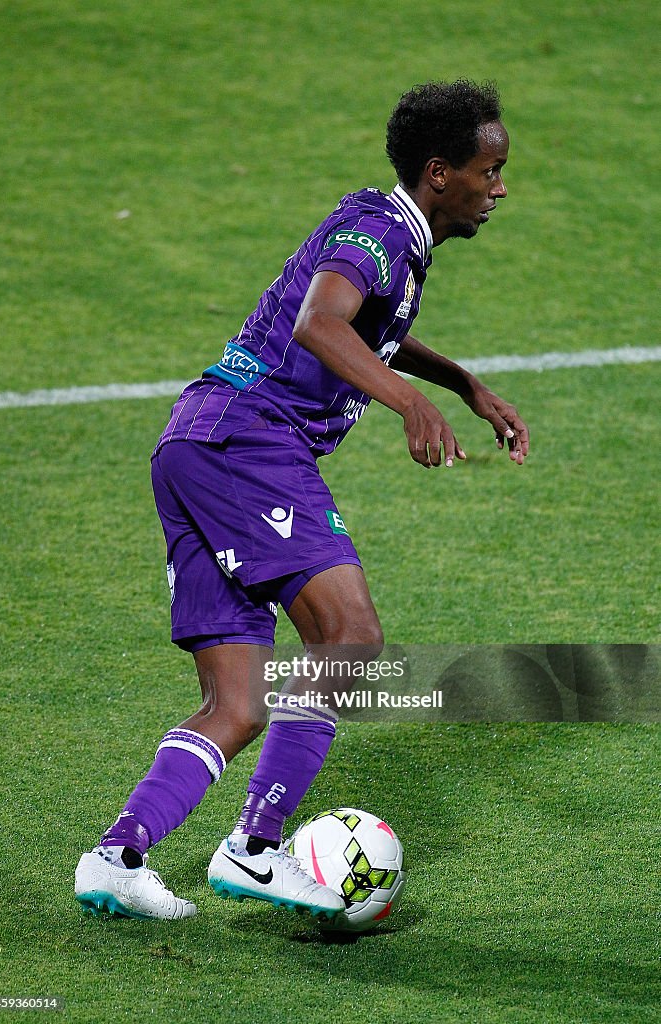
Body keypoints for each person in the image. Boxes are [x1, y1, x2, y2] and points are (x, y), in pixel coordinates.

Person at [75, 79, 529, 921]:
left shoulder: (387, 228)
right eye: (489, 170)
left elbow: (367, 325)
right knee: (350, 637)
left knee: (237, 704)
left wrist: (460, 382)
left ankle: (117, 858)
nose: (500, 187)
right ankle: (253, 847)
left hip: (195, 443)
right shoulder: (379, 233)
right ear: (440, 172)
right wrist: (410, 403)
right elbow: (320, 324)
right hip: (249, 442)